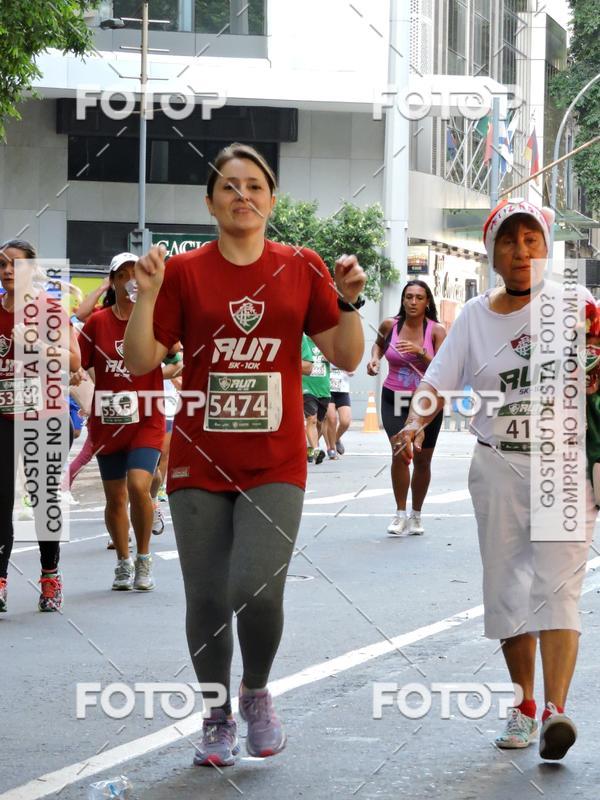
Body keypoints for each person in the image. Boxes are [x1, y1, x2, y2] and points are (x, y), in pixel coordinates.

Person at [123, 142, 366, 767]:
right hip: (198, 459)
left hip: (275, 460)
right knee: (205, 596)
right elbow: (141, 361)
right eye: (229, 186)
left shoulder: (300, 265)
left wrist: (348, 298)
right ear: (210, 202)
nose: (242, 196)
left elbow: (345, 355)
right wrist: (146, 293)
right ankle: (215, 714)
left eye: (254, 186)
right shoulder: (182, 272)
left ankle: (255, 690)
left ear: (271, 199)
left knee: (256, 590)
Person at [395, 198, 598, 761]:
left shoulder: (577, 306)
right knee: (508, 590)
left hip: (562, 464)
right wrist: (415, 422)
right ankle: (525, 703)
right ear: (492, 252)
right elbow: (437, 379)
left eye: (532, 239)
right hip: (497, 465)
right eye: (509, 240)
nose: (521, 250)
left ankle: (556, 710)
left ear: (547, 247)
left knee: (558, 587)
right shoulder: (474, 319)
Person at [0, 239, 81, 613]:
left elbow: (74, 360)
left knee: (44, 501)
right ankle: (0, 583)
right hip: (3, 415)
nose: (6, 271)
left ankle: (50, 576)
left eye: (14, 264)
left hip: (44, 415)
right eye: (1, 264)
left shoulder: (48, 309)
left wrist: (37, 345)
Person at [79, 252, 165, 591]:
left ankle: (144, 559)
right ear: (112, 281)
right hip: (108, 421)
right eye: (123, 274)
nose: (130, 279)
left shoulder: (153, 317)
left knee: (138, 486)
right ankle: (123, 562)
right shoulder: (97, 323)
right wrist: (84, 393)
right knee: (115, 498)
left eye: (135, 272)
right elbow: (80, 366)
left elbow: (172, 350)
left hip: (147, 417)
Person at [367, 280, 446, 535]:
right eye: (408, 297)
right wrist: (374, 360)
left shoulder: (436, 330)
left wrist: (421, 352)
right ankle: (400, 514)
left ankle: (416, 516)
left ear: (427, 302)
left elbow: (444, 367)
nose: (413, 302)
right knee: (400, 452)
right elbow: (379, 344)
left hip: (426, 403)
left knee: (422, 460)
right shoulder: (390, 325)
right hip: (394, 397)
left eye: (418, 297)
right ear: (403, 300)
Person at [302, 334, 332, 463]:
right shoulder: (302, 340)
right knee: (311, 419)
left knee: (319, 423)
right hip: (307, 387)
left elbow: (343, 362)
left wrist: (331, 358)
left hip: (323, 388)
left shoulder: (327, 341)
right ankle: (316, 450)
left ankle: (309, 447)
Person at [327, 366, 353, 456]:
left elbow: (352, 369)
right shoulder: (325, 352)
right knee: (332, 419)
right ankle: (332, 448)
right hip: (327, 389)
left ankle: (336, 439)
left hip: (342, 389)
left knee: (345, 422)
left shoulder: (345, 353)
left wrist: (350, 370)